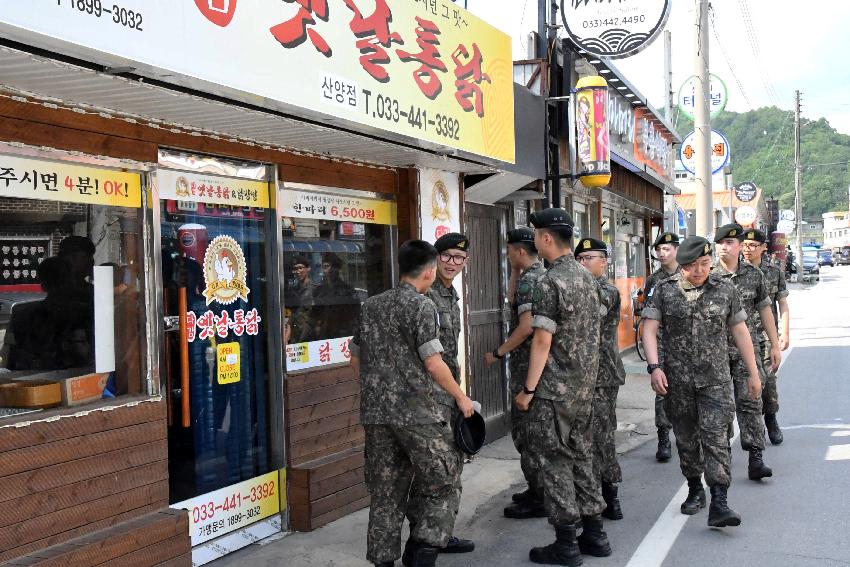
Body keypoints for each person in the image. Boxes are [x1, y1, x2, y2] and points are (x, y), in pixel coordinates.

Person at [350, 240, 474, 567]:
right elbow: (433, 363)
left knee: (385, 493)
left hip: (376, 414)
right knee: (445, 478)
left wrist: (376, 389)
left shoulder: (371, 306)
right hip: (416, 412)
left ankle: (383, 562)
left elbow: (356, 356)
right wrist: (461, 398)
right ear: (430, 271)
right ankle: (423, 551)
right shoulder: (421, 306)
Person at [642, 236, 762, 528]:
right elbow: (649, 329)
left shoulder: (725, 289)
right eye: (692, 265)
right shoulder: (664, 290)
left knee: (716, 438)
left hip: (715, 381)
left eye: (705, 264)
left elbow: (741, 332)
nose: (699, 270)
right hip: (677, 381)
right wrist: (654, 367)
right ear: (682, 264)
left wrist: (754, 372)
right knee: (685, 439)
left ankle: (719, 500)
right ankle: (695, 488)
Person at [515, 208, 608, 566]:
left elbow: (541, 340)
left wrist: (528, 389)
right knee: (582, 457)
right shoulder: (588, 278)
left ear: (546, 238)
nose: (535, 239)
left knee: (553, 462)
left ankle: (566, 542)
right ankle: (595, 533)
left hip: (554, 392)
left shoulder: (549, 282)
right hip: (584, 389)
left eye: (536, 234)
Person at [406, 233, 474, 557]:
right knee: (438, 472)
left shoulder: (451, 296)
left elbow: (449, 354)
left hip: (447, 395)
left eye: (458, 258)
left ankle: (437, 534)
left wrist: (459, 393)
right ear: (435, 259)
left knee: (445, 469)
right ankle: (425, 542)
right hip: (427, 398)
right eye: (446, 256)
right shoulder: (424, 294)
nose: (452, 263)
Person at [484, 228, 546, 520]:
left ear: (519, 251)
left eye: (509, 251)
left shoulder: (531, 282)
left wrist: (498, 352)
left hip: (528, 371)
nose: (507, 256)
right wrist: (514, 271)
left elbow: (525, 327)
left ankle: (540, 496)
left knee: (529, 435)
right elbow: (512, 301)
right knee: (529, 434)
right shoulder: (534, 276)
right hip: (534, 368)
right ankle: (536, 489)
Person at [711, 224, 781, 480]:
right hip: (715, 352)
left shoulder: (754, 274)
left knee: (751, 401)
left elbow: (765, 310)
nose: (724, 247)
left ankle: (755, 457)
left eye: (730, 243)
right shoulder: (707, 274)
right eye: (720, 243)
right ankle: (722, 454)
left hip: (747, 350)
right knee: (720, 406)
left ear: (739, 246)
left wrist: (774, 343)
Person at [575, 237, 626, 521]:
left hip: (602, 375)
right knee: (584, 437)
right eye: (579, 259)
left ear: (604, 262)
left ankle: (609, 493)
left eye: (589, 258)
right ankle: (590, 494)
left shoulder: (605, 291)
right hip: (581, 375)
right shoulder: (581, 287)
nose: (583, 264)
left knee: (601, 436)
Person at [742, 229, 790, 444]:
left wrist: (783, 334)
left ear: (763, 247)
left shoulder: (773, 272)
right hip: (741, 336)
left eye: (752, 245)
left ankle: (770, 417)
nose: (747, 248)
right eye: (744, 244)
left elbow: (783, 303)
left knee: (768, 380)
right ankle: (752, 427)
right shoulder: (736, 271)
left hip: (765, 334)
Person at [641, 231, 681, 462]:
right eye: (658, 250)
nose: (662, 253)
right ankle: (663, 437)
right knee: (662, 388)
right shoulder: (654, 280)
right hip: (662, 340)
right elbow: (648, 314)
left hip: (685, 340)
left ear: (676, 250)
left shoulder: (688, 273)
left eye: (666, 249)